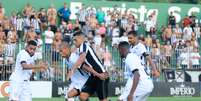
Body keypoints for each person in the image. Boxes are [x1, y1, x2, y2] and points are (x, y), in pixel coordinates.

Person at [68, 31, 109, 101]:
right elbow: (84, 65)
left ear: (82, 39)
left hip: (102, 75)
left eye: (76, 40)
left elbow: (82, 58)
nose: (74, 42)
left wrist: (72, 70)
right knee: (82, 96)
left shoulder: (84, 46)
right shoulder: (79, 50)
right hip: (93, 76)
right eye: (73, 40)